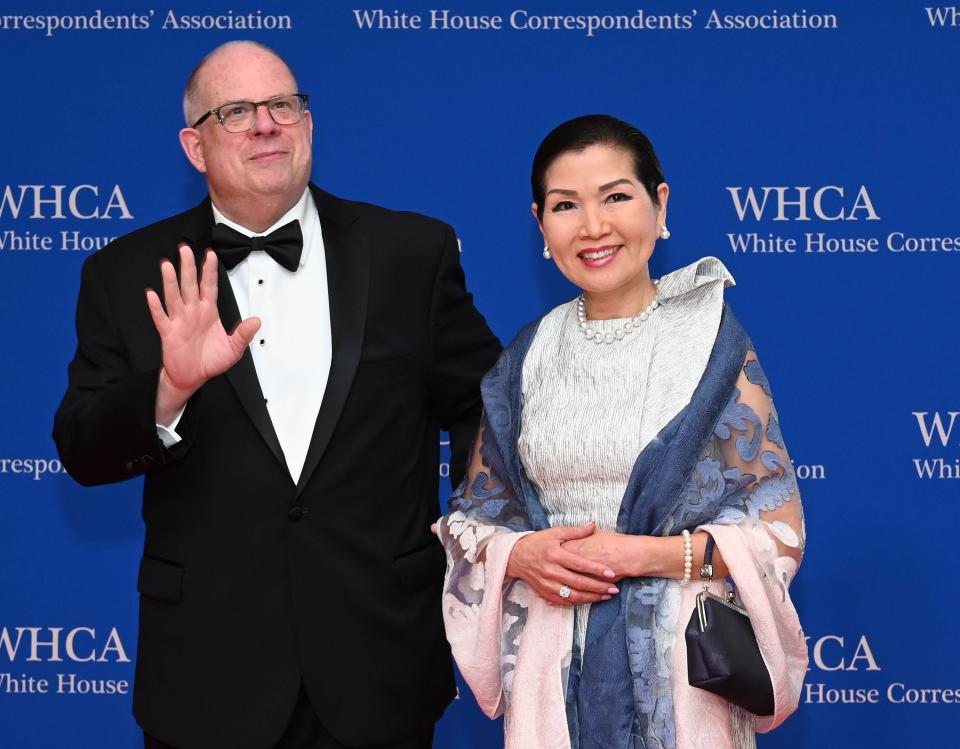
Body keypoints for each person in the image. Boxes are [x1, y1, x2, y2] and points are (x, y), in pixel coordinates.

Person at [53, 40, 501, 749]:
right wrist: (168, 389)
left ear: (308, 125)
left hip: (379, 657)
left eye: (283, 105)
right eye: (236, 111)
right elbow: (81, 446)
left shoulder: (411, 253)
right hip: (207, 673)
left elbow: (488, 407)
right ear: (194, 147)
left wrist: (472, 531)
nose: (267, 125)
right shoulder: (126, 273)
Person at [436, 115, 806, 749]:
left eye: (616, 196)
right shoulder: (526, 357)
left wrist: (645, 556)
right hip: (551, 682)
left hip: (684, 683)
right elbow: (474, 520)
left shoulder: (710, 345)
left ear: (659, 204)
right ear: (541, 225)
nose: (594, 226)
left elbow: (776, 527)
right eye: (565, 205)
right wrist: (521, 555)